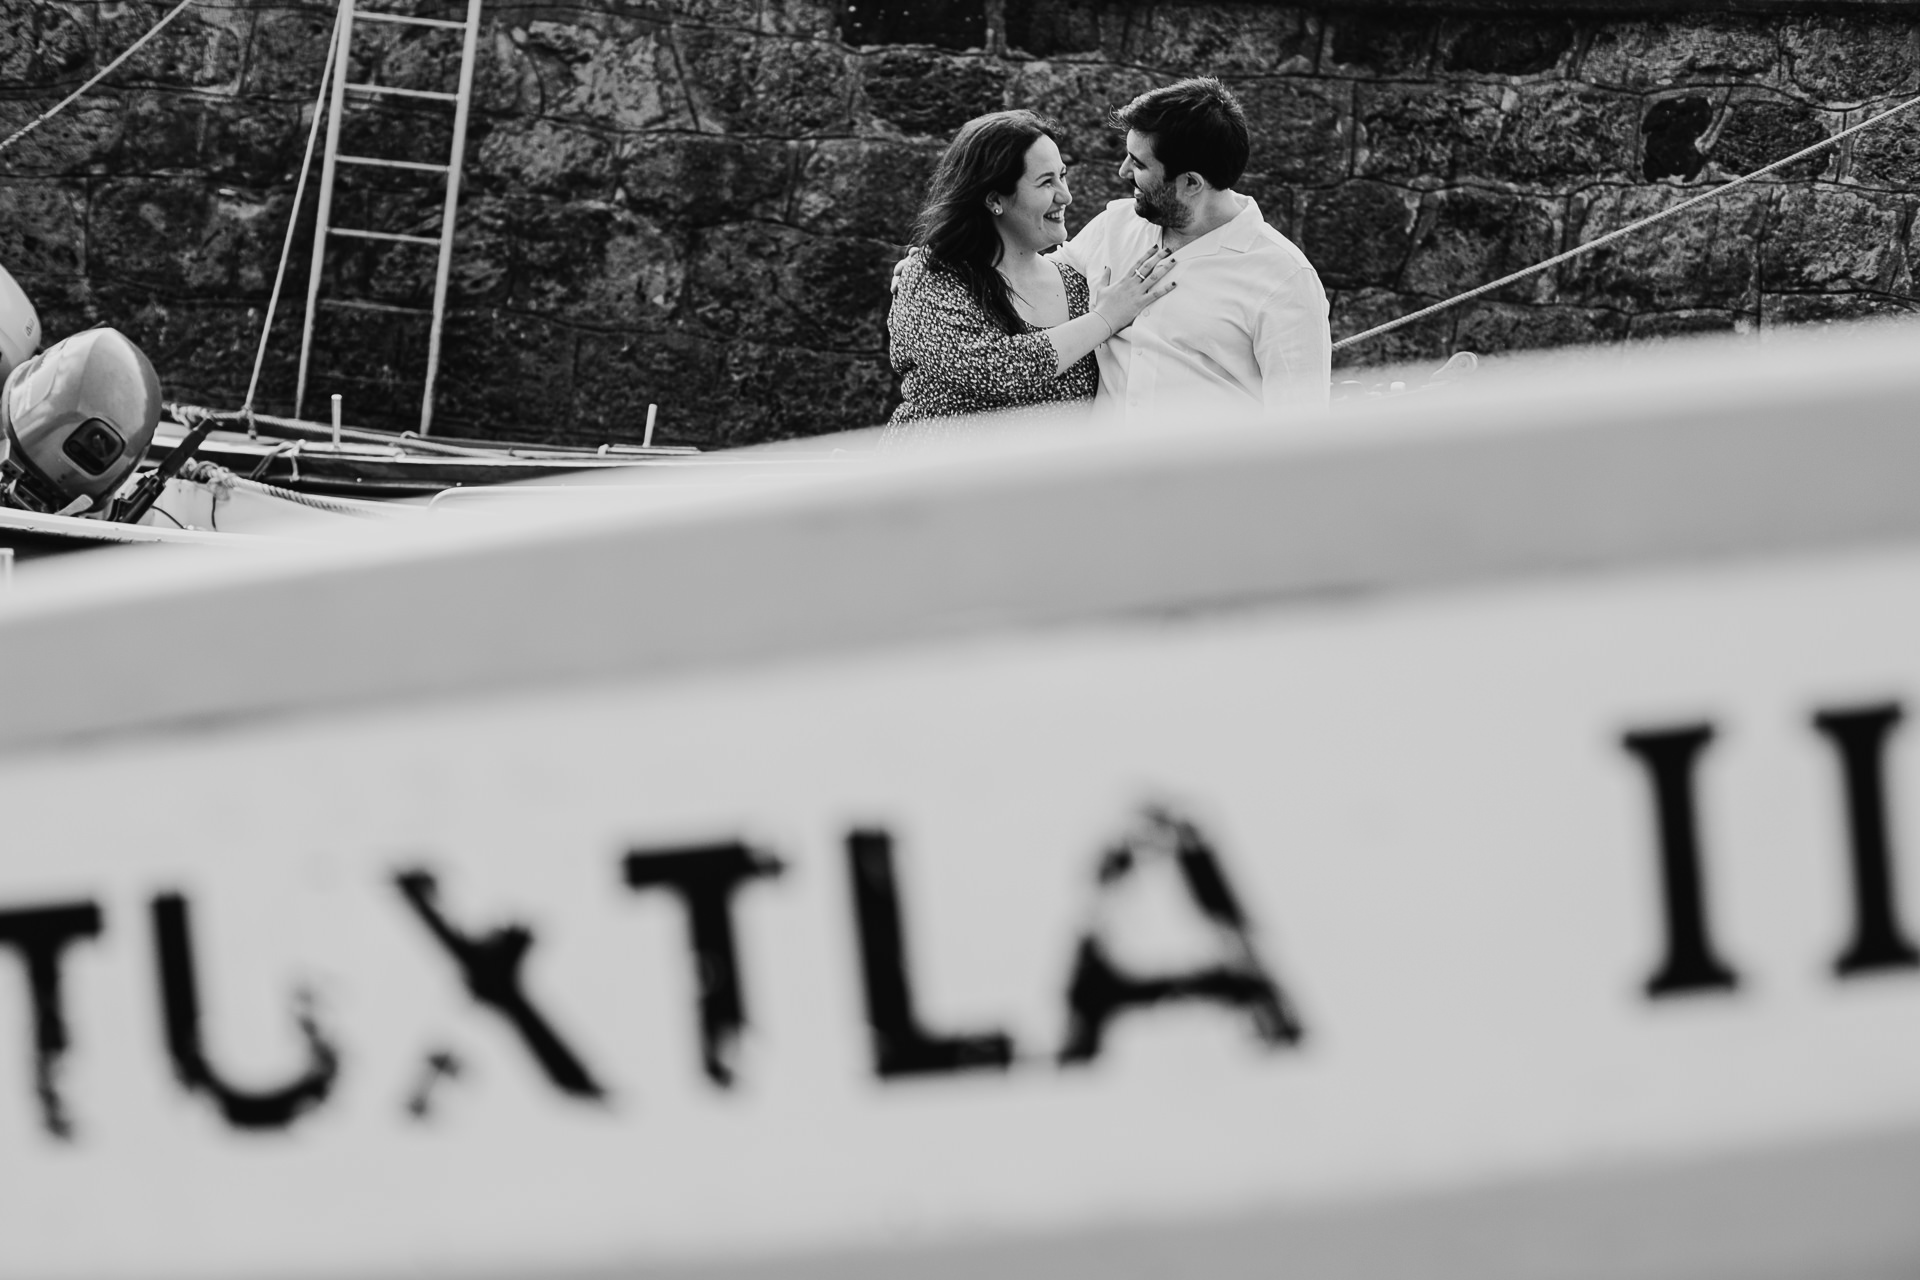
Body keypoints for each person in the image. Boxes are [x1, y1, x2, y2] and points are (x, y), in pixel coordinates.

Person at [1052, 77, 1331, 426]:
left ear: (1191, 183)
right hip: (1102, 476)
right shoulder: (1113, 227)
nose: (1123, 171)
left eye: (1138, 164)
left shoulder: (1285, 279)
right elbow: (1029, 285)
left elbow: (1301, 430)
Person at [885, 109, 1177, 442]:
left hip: (1047, 493)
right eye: (1045, 182)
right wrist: (1106, 319)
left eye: (1062, 176)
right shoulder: (932, 278)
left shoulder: (1078, 285)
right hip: (935, 488)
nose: (1065, 195)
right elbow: (996, 370)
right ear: (995, 198)